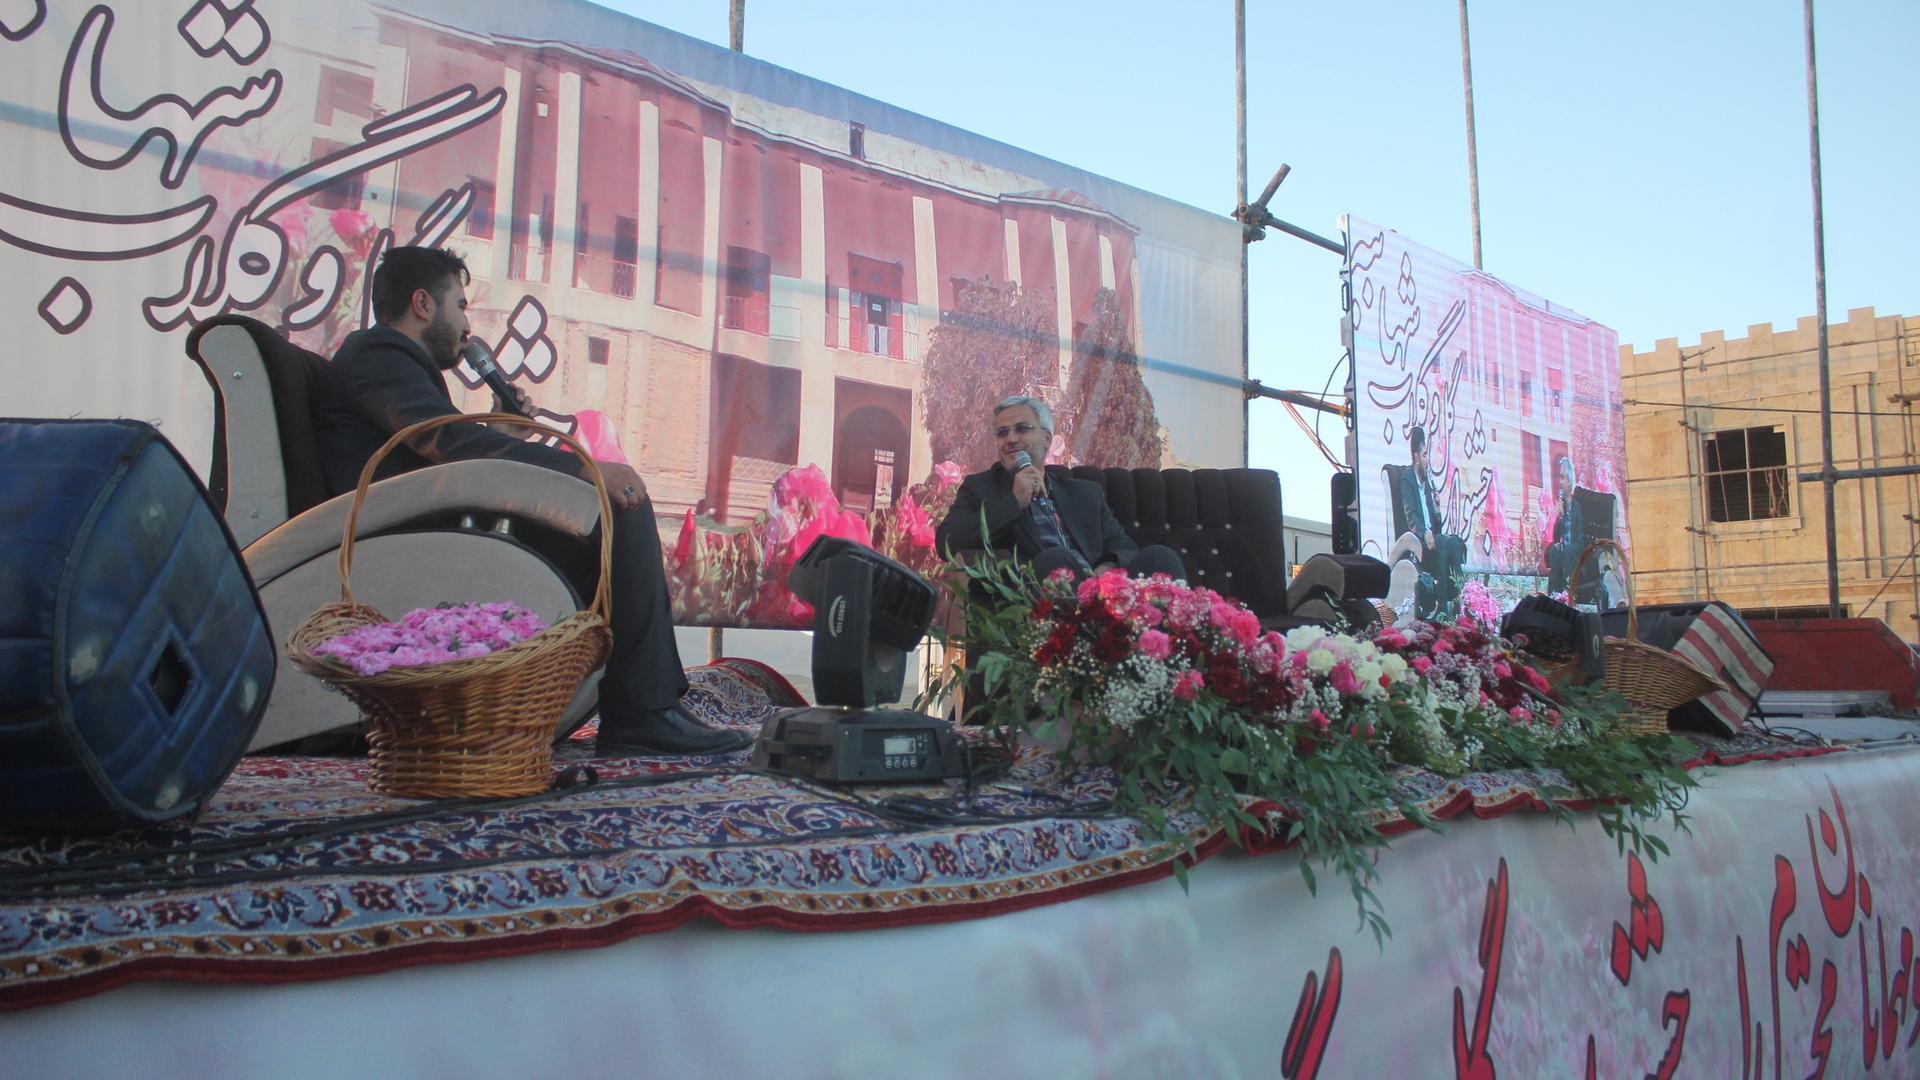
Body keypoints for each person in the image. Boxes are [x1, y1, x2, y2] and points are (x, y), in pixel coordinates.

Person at [313, 246, 751, 756]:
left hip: (432, 522)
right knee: (615, 507)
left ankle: (639, 703)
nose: (466, 326)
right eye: (459, 306)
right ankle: (642, 711)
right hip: (399, 537)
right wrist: (586, 469)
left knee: (604, 525)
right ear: (423, 305)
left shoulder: (393, 362)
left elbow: (440, 445)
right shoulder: (377, 353)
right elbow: (447, 445)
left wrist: (498, 424)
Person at [933, 395, 1186, 582]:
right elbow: (946, 543)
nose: (1010, 439)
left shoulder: (1086, 493)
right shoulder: (980, 487)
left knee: (1160, 558)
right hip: (1043, 604)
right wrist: (1013, 503)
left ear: (1047, 438)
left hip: (1103, 594)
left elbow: (1123, 545)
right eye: (1002, 432)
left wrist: (1106, 568)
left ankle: (1172, 648)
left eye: (1022, 429)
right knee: (1055, 559)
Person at [1396, 426, 1466, 617]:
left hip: (1432, 541)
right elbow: (1410, 516)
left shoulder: (1427, 482)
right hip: (1416, 541)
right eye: (1425, 455)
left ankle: (1458, 602)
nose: (1428, 460)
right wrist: (1425, 532)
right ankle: (1441, 608)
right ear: (1417, 457)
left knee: (1453, 542)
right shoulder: (1407, 479)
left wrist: (1436, 511)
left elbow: (1437, 527)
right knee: (1444, 542)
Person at [1543, 455, 1583, 597]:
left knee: (1564, 552)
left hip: (1576, 555)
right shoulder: (1563, 507)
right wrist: (1559, 517)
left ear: (1570, 479)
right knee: (1554, 550)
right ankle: (1557, 593)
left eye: (1563, 477)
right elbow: (1556, 537)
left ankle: (1570, 593)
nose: (1560, 482)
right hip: (1564, 552)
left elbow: (1581, 539)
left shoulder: (1578, 507)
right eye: (1559, 478)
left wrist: (1567, 548)